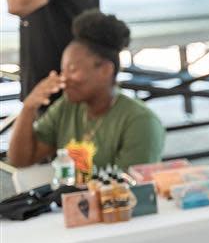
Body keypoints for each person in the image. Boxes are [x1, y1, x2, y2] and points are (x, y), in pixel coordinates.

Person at [8, 10, 165, 171]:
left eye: (72, 70)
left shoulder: (140, 122)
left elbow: (134, 190)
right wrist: (29, 107)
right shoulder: (67, 107)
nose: (64, 78)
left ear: (105, 70)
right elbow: (19, 159)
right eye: (63, 70)